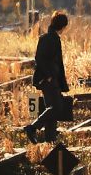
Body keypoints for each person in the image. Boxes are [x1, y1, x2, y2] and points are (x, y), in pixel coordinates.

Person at [25, 11, 70, 143]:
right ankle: (32, 128)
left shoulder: (51, 38)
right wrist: (49, 76)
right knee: (57, 107)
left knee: (52, 110)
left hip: (50, 79)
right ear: (62, 26)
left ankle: (50, 140)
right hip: (48, 80)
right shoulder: (49, 39)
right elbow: (40, 58)